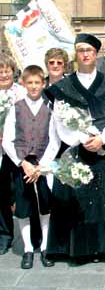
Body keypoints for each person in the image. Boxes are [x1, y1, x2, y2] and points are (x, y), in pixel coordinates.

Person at [44, 33, 105, 262]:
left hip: (104, 149)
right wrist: (82, 139)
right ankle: (77, 248)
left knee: (103, 199)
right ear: (76, 54)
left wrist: (102, 139)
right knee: (76, 200)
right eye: (81, 50)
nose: (85, 54)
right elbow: (59, 121)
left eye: (89, 51)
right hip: (76, 149)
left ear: (95, 54)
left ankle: (102, 247)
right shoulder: (64, 86)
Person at [2, 65, 55, 269]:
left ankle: (45, 248)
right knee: (24, 209)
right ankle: (27, 249)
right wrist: (22, 162)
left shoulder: (50, 107)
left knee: (44, 207)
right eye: (30, 82)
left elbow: (54, 139)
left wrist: (42, 165)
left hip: (42, 164)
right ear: (23, 83)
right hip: (22, 164)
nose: (34, 86)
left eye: (37, 83)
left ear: (43, 84)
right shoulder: (16, 108)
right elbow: (8, 140)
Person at [0, 54, 26, 255]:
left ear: (13, 71)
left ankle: (30, 234)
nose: (3, 74)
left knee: (20, 191)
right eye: (0, 71)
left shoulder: (22, 92)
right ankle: (5, 235)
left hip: (17, 150)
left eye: (6, 70)